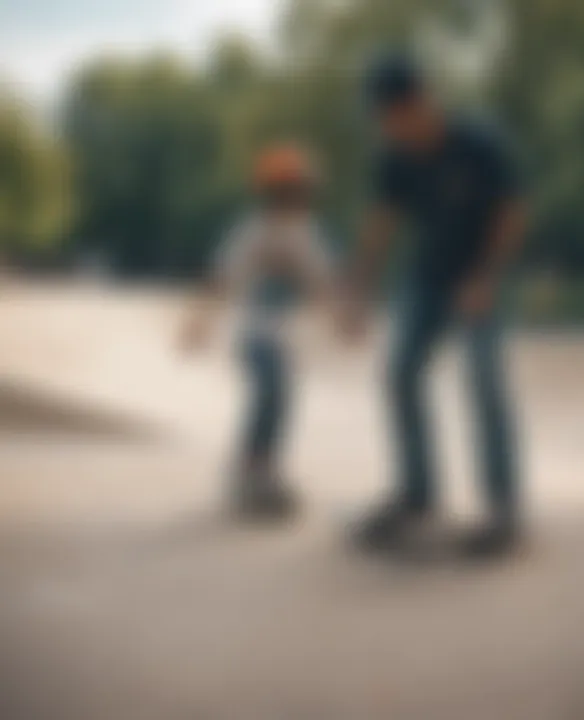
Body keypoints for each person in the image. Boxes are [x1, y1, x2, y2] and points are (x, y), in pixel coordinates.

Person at [339, 55, 527, 556]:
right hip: (427, 276)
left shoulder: (479, 142)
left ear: (418, 103)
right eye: (381, 121)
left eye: (391, 117)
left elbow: (512, 213)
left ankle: (502, 508)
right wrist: (357, 291)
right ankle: (418, 497)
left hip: (479, 270)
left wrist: (485, 276)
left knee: (483, 378)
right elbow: (380, 225)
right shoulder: (394, 157)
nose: (387, 129)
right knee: (399, 372)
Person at [180, 143, 333, 520]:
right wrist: (199, 319)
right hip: (253, 332)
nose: (300, 198)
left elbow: (321, 281)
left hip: (285, 336)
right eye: (293, 191)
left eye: (303, 191)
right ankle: (249, 471)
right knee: (267, 395)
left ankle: (264, 470)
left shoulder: (305, 233)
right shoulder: (252, 231)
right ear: (276, 193)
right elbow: (222, 276)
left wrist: (343, 316)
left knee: (280, 403)